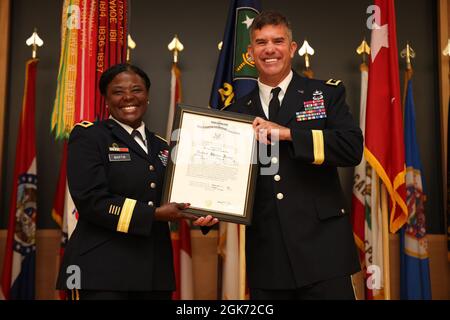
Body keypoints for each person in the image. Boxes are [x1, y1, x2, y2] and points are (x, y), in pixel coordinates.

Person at [224, 11, 363, 299]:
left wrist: (288, 134)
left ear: (292, 47)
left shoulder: (324, 95)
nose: (270, 49)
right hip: (268, 253)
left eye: (278, 40)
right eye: (261, 43)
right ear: (251, 52)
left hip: (323, 250)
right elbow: (229, 180)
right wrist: (209, 210)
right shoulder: (234, 113)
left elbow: (351, 148)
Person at [56, 63, 218, 300]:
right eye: (118, 91)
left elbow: (181, 196)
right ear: (106, 99)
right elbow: (91, 201)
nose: (128, 97)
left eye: (137, 90)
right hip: (102, 270)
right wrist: (154, 215)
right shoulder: (90, 136)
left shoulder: (163, 146)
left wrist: (203, 215)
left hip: (153, 272)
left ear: (147, 96)